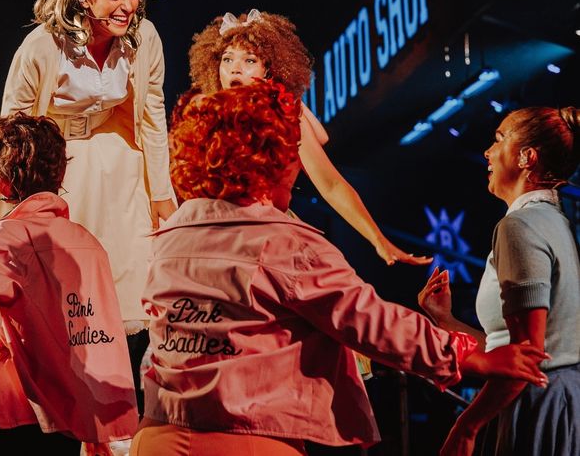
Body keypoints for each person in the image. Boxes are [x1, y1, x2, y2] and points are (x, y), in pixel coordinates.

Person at [132, 83, 549, 456]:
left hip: (155, 436)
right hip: (245, 439)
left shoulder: (172, 236)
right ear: (268, 160)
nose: (297, 169)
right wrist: (471, 356)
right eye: (291, 153)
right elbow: (371, 322)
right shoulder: (284, 241)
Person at [0, 0, 176, 401]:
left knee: (128, 268)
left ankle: (121, 399)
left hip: (116, 158)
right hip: (54, 165)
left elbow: (152, 115)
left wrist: (163, 196)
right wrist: (17, 200)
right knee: (60, 284)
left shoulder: (143, 38)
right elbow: (14, 129)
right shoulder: (43, 45)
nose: (128, 6)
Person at [0, 114, 138, 455]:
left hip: (8, 409)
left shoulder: (3, 236)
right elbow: (99, 334)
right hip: (68, 414)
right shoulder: (87, 242)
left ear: (0, 183)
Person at [188, 9, 430, 266]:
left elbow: (332, 185)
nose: (235, 69)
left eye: (249, 61)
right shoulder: (201, 115)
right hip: (212, 242)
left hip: (268, 245)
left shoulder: (287, 116)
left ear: (268, 71)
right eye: (227, 59)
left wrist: (378, 239)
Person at [419, 106, 580, 456]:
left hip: (537, 404)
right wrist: (446, 320)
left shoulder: (519, 227)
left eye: (498, 140)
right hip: (549, 399)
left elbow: (529, 357)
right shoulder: (551, 220)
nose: (488, 152)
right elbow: (509, 349)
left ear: (527, 157)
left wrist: (467, 426)